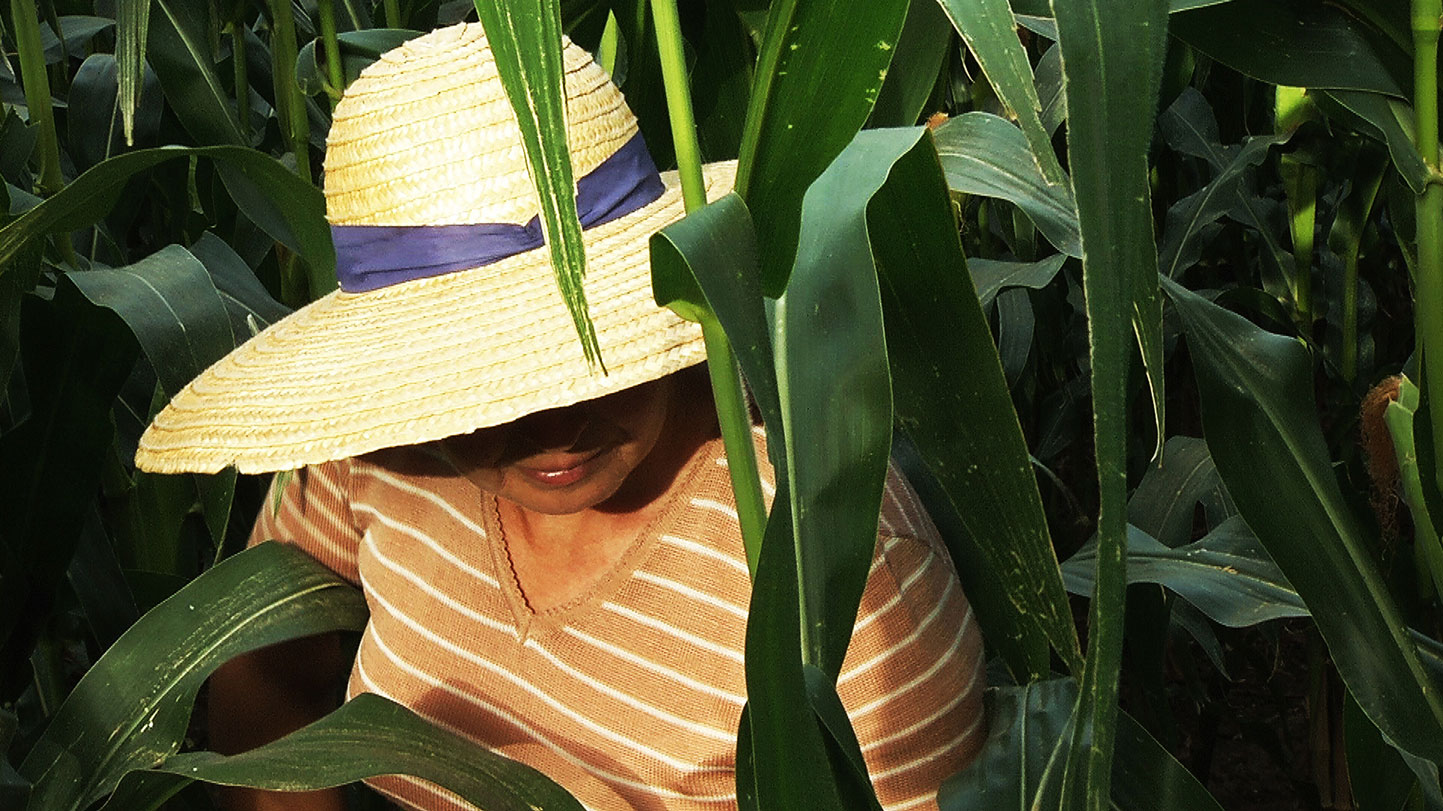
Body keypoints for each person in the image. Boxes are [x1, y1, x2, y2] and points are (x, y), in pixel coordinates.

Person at [136, 22, 986, 811]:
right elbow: (265, 655)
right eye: (486, 387)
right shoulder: (381, 453)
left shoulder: (841, 573)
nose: (551, 428)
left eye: (592, 361)